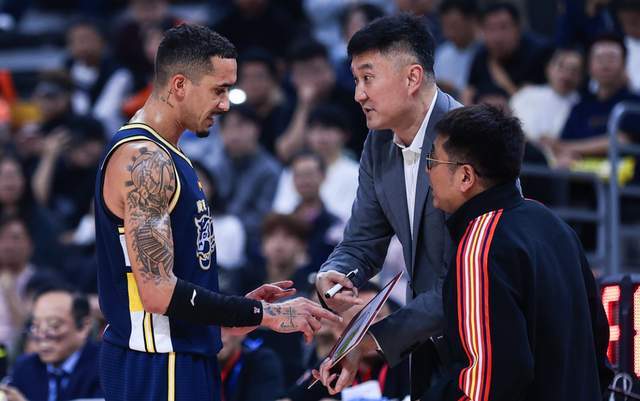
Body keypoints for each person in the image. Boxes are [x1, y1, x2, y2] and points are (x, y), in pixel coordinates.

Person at [95, 24, 340, 401]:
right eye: (218, 90)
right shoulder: (145, 160)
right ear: (179, 85)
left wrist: (233, 311)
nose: (226, 104)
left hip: (177, 353)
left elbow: (175, 275)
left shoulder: (168, 154)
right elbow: (157, 293)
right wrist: (258, 313)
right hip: (159, 361)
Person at [313, 14, 461, 400]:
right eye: (356, 80)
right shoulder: (378, 143)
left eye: (368, 78)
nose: (358, 94)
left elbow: (464, 282)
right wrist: (335, 273)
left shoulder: (470, 140)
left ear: (412, 78)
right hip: (425, 343)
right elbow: (362, 240)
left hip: (485, 340)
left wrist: (372, 340)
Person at [419, 104, 609, 399]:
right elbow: (599, 342)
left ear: (466, 177)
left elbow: (485, 382)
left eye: (433, 160)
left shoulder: (480, 247)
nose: (428, 170)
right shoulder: (553, 223)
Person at [0, 286, 103, 401]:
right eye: (36, 325)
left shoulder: (104, 366)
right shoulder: (25, 367)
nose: (42, 335)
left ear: (84, 326)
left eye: (54, 325)